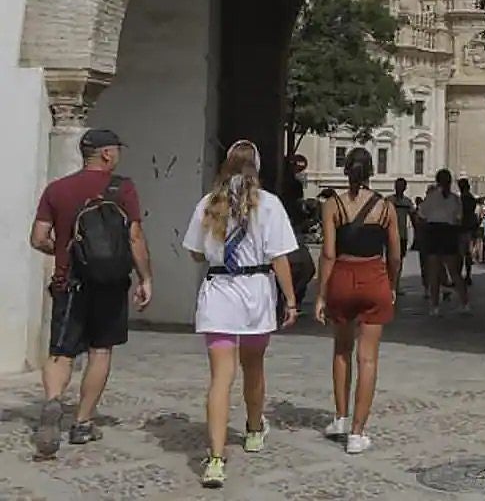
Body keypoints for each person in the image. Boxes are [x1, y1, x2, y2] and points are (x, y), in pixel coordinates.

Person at [182, 140, 300, 489]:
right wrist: (291, 301)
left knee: (221, 378)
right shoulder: (270, 205)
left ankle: (216, 458)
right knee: (254, 367)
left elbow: (194, 253)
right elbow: (279, 258)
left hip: (220, 294)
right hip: (255, 295)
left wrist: (218, 248)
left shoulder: (209, 204)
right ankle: (252, 429)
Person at [29, 128, 153, 458]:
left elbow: (38, 237)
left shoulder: (57, 190)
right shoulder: (122, 188)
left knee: (61, 349)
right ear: (106, 154)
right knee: (100, 350)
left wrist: (64, 251)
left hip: (69, 282)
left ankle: (54, 401)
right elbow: (135, 237)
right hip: (110, 284)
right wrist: (145, 278)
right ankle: (82, 422)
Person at [315, 148, 402, 455]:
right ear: (371, 173)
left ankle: (339, 417)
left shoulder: (332, 206)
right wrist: (392, 284)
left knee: (341, 350)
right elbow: (394, 254)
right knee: (368, 359)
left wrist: (322, 295)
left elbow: (328, 253)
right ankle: (357, 433)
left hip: (342, 276)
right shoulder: (386, 208)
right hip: (373, 276)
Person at [417, 170, 469, 316]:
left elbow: (421, 216)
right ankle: (464, 303)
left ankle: (434, 306)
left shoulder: (431, 198)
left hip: (434, 232)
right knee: (454, 272)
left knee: (433, 272)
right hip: (449, 232)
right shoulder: (455, 199)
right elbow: (459, 219)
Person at [388, 178, 415, 294]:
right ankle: (389, 284)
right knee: (389, 260)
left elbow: (413, 217)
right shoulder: (388, 201)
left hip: (402, 235)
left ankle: (396, 285)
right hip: (389, 234)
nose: (399, 188)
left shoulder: (407, 202)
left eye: (402, 186)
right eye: (398, 185)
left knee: (399, 261)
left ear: (405, 187)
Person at [457, 178, 479, 285]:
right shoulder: (471, 199)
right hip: (470, 228)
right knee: (468, 254)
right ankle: (468, 275)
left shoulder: (461, 199)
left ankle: (459, 275)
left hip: (462, 229)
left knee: (461, 254)